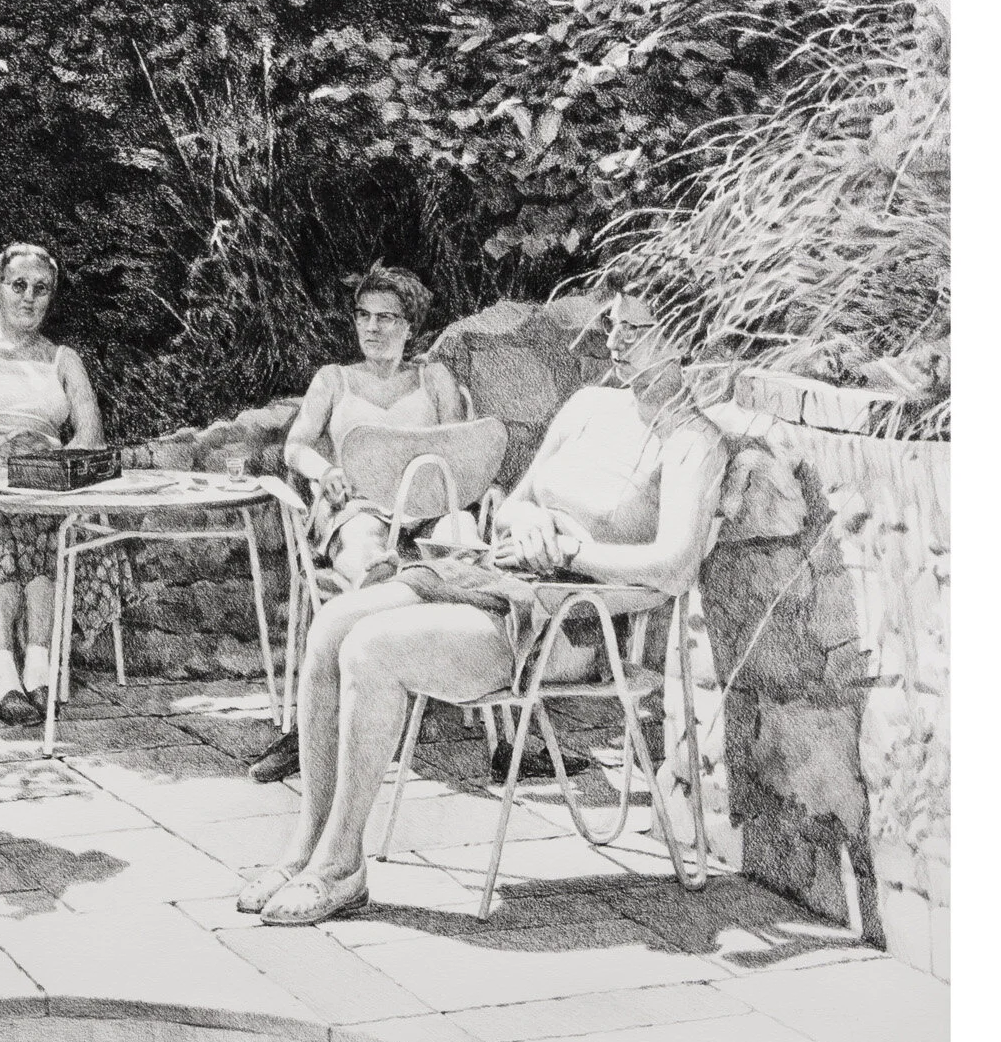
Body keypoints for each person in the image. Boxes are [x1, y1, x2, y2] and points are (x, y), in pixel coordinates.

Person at [238, 287, 729, 925]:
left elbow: (674, 566)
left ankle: (341, 865)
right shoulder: (589, 405)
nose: (615, 341)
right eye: (612, 324)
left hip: (570, 624)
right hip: (500, 578)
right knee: (332, 623)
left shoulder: (695, 442)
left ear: (682, 340)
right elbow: (520, 497)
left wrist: (574, 552)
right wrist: (528, 526)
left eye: (636, 329)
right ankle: (306, 845)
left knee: (372, 649)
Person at [248, 265, 465, 782]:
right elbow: (295, 445)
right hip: (357, 510)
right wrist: (325, 472)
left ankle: (511, 732)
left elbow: (464, 447)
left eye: (387, 318)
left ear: (411, 326)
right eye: (363, 316)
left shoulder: (433, 379)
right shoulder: (335, 380)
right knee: (371, 558)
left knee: (475, 553)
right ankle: (323, 724)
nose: (372, 328)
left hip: (427, 513)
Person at [0, 243, 127, 724]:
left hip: (40, 470)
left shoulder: (63, 358)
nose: (29, 298)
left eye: (41, 289)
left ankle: (37, 667)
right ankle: (3, 670)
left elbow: (90, 433)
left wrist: (55, 473)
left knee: (36, 514)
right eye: (18, 286)